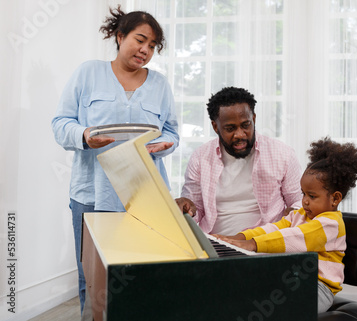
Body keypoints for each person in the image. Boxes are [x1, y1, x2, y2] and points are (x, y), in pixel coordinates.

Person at [51, 6, 179, 313]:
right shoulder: (88, 72)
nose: (145, 50)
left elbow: (173, 133)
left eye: (152, 46)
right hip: (91, 195)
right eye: (140, 40)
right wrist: (84, 135)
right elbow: (60, 123)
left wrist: (163, 145)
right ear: (120, 36)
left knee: (140, 274)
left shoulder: (160, 84)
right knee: (93, 278)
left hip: (144, 195)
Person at [215, 137, 357, 313]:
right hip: (293, 280)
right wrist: (239, 237)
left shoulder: (330, 224)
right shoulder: (300, 214)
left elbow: (294, 237)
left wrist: (253, 244)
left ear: (335, 198)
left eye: (312, 196)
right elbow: (274, 228)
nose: (304, 201)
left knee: (272, 308)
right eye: (303, 194)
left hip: (317, 289)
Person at [175, 87, 303, 235]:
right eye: (230, 128)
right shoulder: (200, 157)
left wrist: (294, 213)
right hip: (217, 247)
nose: (239, 135)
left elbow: (298, 201)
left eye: (245, 125)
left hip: (267, 245)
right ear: (215, 127)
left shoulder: (283, 154)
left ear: (253, 119)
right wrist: (187, 208)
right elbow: (194, 209)